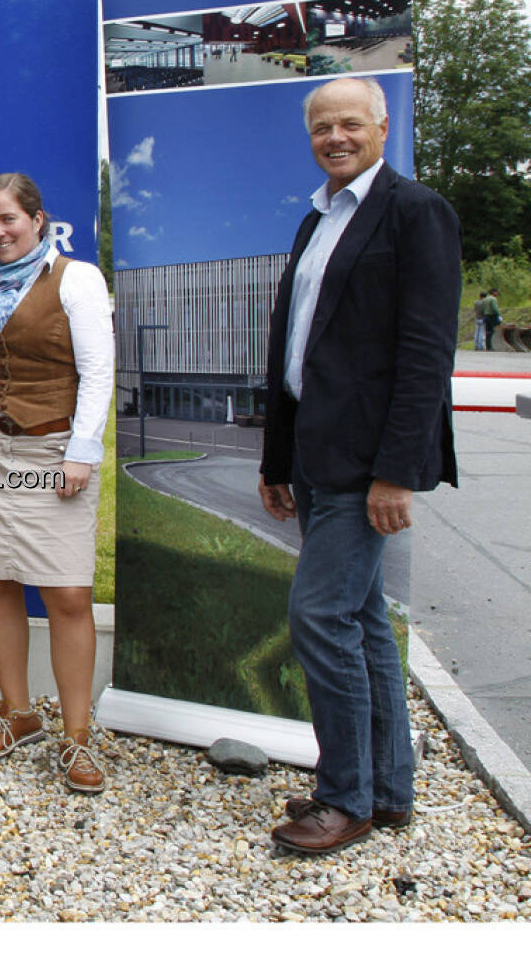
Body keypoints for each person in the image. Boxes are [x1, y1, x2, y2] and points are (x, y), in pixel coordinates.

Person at [259, 76, 460, 856]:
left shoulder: (415, 212)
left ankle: (344, 799)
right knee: (365, 622)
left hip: (365, 464)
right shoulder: (318, 220)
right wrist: (277, 458)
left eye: (350, 123)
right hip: (313, 456)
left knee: (320, 616)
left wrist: (396, 472)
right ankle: (386, 790)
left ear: (383, 126)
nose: (334, 137)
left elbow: (424, 355)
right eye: (321, 127)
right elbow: (293, 350)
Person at [0, 172, 114, 793]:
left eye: (9, 219)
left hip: (52, 450)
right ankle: (18, 713)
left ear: (39, 219)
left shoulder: (78, 279)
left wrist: (81, 453)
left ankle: (78, 738)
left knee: (66, 596)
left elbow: (98, 371)